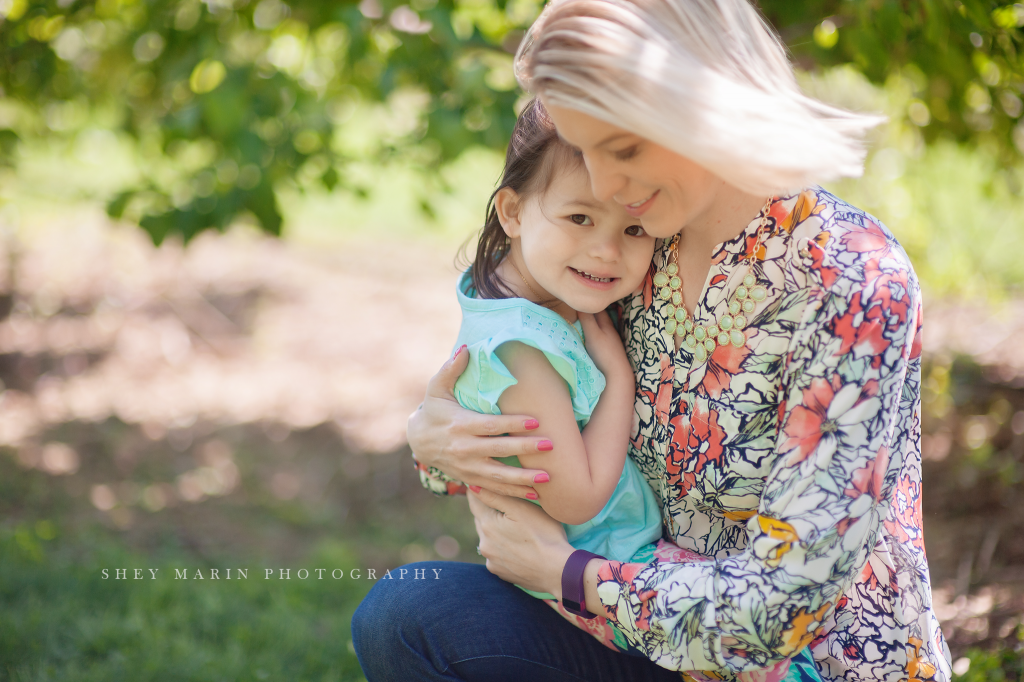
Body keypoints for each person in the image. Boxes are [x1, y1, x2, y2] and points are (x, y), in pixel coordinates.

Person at [351, 0, 952, 680]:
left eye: (624, 149)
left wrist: (571, 573)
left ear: (703, 99)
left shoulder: (850, 279)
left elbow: (781, 611)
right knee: (407, 616)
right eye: (587, 153)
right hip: (645, 641)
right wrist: (437, 440)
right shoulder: (633, 253)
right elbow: (522, 375)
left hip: (799, 664)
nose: (607, 187)